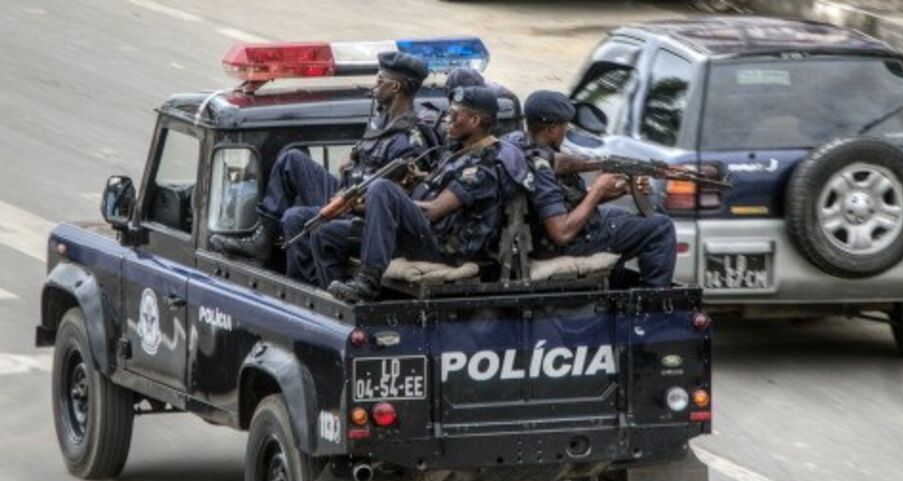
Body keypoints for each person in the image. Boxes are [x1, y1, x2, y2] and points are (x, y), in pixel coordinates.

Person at [210, 51, 433, 277]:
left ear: (395, 87)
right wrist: (354, 157)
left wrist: (350, 205)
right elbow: (363, 154)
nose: (375, 86)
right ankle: (263, 242)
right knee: (292, 160)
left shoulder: (410, 141)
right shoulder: (381, 120)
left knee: (295, 220)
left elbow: (395, 205)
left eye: (380, 80)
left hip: (367, 218)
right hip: (345, 194)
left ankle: (314, 287)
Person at [322, 85, 529, 302]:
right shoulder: (456, 152)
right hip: (426, 235)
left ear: (475, 121)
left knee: (381, 187)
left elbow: (433, 211)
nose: (447, 120)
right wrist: (367, 203)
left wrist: (394, 201)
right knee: (327, 233)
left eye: (453, 115)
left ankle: (368, 282)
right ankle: (334, 300)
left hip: (445, 248)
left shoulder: (482, 167)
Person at [505, 90, 677, 288]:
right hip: (566, 243)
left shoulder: (524, 147)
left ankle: (614, 292)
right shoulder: (540, 167)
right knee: (661, 227)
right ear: (552, 129)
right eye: (564, 126)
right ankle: (652, 308)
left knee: (621, 215)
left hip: (558, 232)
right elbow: (561, 233)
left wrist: (615, 191)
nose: (566, 131)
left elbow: (563, 200)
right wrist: (597, 189)